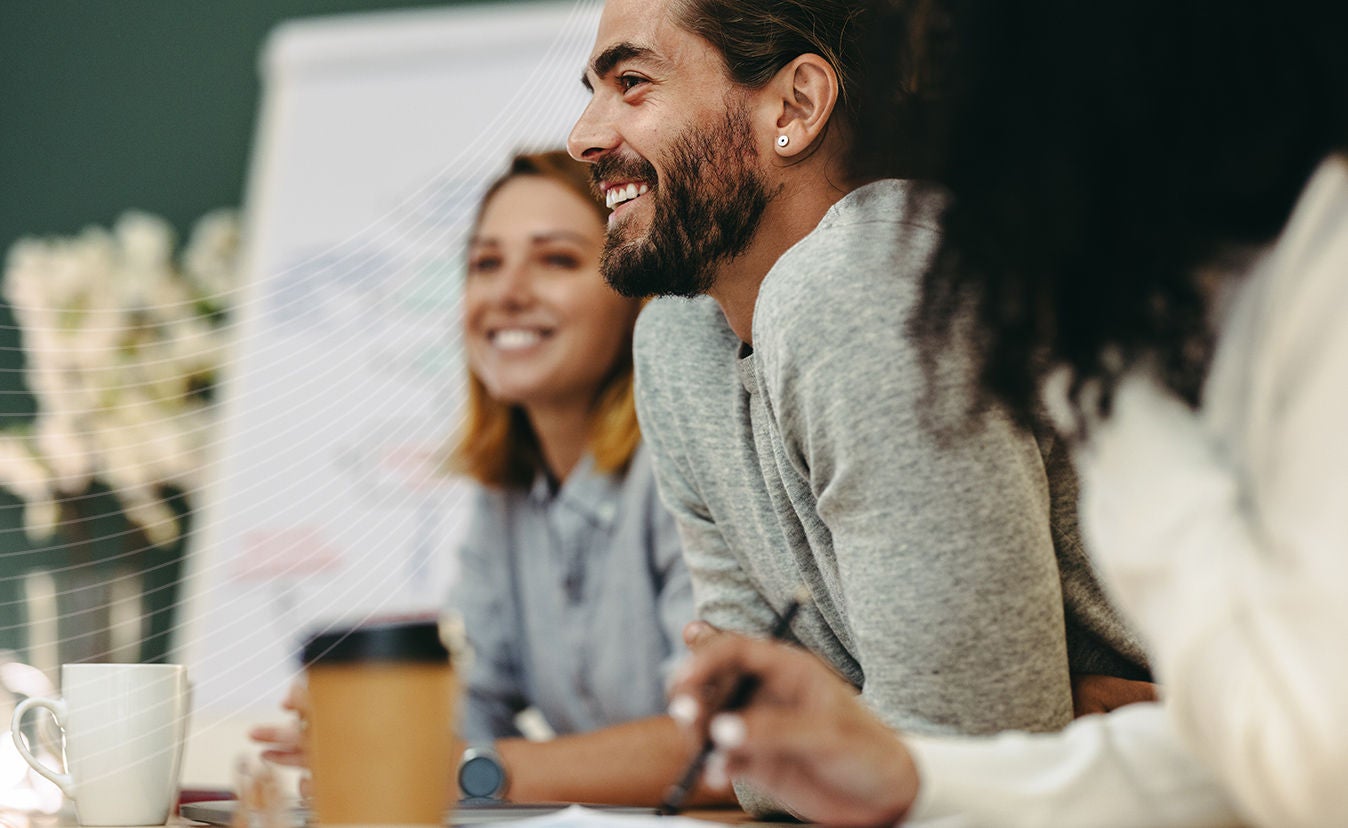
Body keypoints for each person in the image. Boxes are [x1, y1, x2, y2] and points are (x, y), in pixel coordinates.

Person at [667, 2, 1348, 825]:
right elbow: (1263, 749)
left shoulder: (1312, 275)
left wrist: (1115, 392)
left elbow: (1309, 752)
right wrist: (923, 775)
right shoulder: (1180, 292)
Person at [566, 0, 1149, 812]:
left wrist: (875, 739)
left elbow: (969, 761)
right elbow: (751, 753)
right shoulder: (677, 342)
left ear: (796, 106)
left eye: (632, 82)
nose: (584, 136)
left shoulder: (871, 278)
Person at [252, 150, 724, 807]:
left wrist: (475, 770)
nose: (506, 293)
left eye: (556, 259)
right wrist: (384, 728)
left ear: (638, 293)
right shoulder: (509, 495)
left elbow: (723, 742)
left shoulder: (691, 461)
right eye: (485, 263)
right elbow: (473, 701)